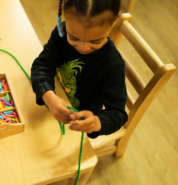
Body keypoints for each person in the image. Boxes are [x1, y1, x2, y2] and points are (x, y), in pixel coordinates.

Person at [31, 0, 128, 138]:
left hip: (78, 127)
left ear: (114, 21)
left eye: (95, 41)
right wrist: (49, 97)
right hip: (52, 104)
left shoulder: (113, 65)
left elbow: (118, 114)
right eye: (73, 37)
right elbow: (41, 66)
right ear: (64, 12)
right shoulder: (61, 33)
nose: (83, 48)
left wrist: (96, 123)